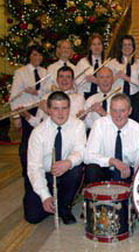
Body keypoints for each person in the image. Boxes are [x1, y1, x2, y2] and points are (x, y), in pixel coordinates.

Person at [25, 91, 86, 224]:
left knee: (76, 169)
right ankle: (53, 198)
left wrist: (68, 162)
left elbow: (81, 151)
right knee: (33, 217)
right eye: (56, 108)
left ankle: (64, 207)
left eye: (64, 108)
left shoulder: (78, 125)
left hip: (66, 171)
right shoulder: (38, 132)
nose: (60, 113)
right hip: (45, 174)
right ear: (48, 110)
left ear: (69, 109)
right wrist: (45, 196)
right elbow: (34, 168)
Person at [84, 93, 139, 184]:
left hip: (126, 172)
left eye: (122, 111)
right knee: (92, 169)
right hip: (104, 168)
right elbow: (88, 156)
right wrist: (112, 161)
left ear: (130, 111)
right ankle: (95, 197)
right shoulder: (99, 125)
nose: (118, 115)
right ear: (109, 110)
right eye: (114, 111)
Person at [9, 45, 48, 178]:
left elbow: (46, 92)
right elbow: (14, 96)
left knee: (40, 141)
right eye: (34, 54)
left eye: (40, 55)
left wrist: (36, 92)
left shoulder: (44, 72)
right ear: (29, 56)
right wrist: (16, 117)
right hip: (26, 110)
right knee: (27, 142)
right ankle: (26, 170)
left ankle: (38, 169)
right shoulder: (21, 72)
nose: (37, 58)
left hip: (41, 109)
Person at [20, 66, 85, 127]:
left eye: (68, 77)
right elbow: (38, 124)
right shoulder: (46, 97)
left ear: (73, 81)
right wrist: (27, 116)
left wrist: (48, 111)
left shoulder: (78, 98)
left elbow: (71, 122)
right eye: (61, 77)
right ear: (57, 80)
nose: (64, 80)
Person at [76, 33, 106, 99]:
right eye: (94, 44)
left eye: (99, 44)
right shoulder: (82, 62)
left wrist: (96, 81)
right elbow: (76, 81)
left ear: (102, 46)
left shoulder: (107, 63)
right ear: (90, 47)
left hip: (101, 95)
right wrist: (85, 79)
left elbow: (110, 83)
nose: (97, 47)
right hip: (84, 95)